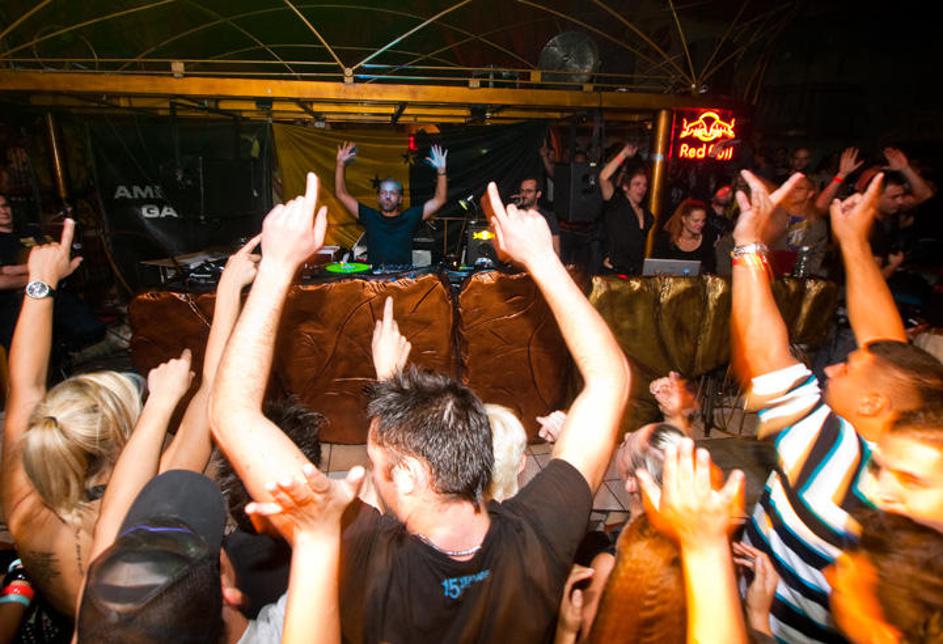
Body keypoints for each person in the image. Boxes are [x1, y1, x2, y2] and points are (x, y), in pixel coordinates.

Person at [209, 173, 631, 642]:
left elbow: (232, 414)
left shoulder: (361, 555)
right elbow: (610, 381)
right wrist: (542, 260)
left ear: (409, 476)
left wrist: (275, 268)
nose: (372, 476)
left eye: (377, 465)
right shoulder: (542, 532)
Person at [731, 169, 943, 642]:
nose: (829, 369)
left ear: (873, 403)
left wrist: (748, 245)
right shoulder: (916, 444)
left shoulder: (830, 455)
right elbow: (888, 356)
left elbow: (764, 355)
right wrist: (854, 243)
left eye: (846, 368)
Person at [0, 226, 254, 619]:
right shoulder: (151, 503)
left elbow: (26, 386)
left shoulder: (24, 503)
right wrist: (228, 291)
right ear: (121, 437)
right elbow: (212, 391)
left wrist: (42, 282)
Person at [334, 141, 448, 266]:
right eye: (383, 192)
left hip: (402, 276)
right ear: (378, 198)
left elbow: (440, 199)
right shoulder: (369, 216)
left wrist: (441, 171)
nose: (387, 196)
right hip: (375, 277)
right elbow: (341, 194)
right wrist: (340, 164)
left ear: (400, 199)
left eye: (392, 193)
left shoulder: (410, 217)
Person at [599, 144, 653, 274]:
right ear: (625, 187)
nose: (641, 189)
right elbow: (603, 177)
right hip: (614, 271)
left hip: (635, 273)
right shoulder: (617, 204)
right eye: (637, 184)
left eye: (645, 185)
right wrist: (623, 154)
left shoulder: (648, 216)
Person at [651, 198, 717, 273]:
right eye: (696, 221)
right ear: (684, 219)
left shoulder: (707, 242)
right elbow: (655, 268)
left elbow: (711, 271)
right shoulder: (665, 240)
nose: (700, 224)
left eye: (703, 221)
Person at [516, 176, 560, 255]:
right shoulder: (515, 214)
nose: (524, 195)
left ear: (538, 194)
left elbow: (556, 249)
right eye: (522, 191)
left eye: (529, 191)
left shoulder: (548, 217)